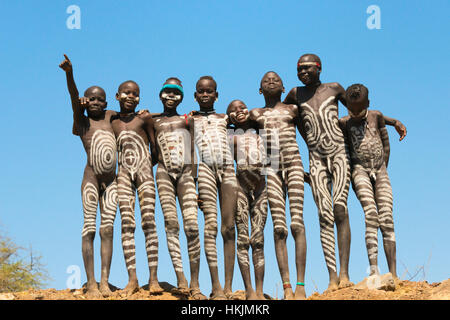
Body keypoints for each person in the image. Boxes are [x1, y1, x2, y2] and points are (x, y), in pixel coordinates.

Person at [284, 53, 406, 291]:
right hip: (316, 158)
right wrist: (307, 138)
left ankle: (344, 274)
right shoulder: (294, 94)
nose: (303, 72)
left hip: (340, 154)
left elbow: (358, 110)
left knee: (340, 208)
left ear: (320, 69)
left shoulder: (334, 88)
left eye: (308, 68)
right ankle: (331, 278)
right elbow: (291, 118)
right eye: (299, 69)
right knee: (323, 215)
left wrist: (391, 121)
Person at [59, 54, 117, 297]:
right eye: (90, 98)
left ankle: (105, 281)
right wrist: (70, 73)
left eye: (99, 99)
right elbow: (73, 98)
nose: (94, 101)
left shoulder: (112, 118)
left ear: (105, 103)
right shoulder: (82, 122)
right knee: (89, 228)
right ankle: (91, 282)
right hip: (91, 179)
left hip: (112, 180)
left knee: (108, 229)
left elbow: (133, 116)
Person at [249, 71, 306, 300]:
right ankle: (287, 287)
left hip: (293, 162)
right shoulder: (255, 114)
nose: (271, 81)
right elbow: (233, 126)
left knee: (297, 223)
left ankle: (301, 285)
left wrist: (311, 170)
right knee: (279, 227)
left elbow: (307, 137)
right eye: (265, 80)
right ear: (260, 90)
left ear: (284, 89)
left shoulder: (292, 110)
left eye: (276, 80)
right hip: (270, 167)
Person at [339, 83, 401, 278]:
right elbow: (346, 150)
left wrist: (382, 168)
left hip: (381, 170)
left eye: (360, 109)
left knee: (387, 219)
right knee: (371, 214)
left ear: (368, 103)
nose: (355, 113)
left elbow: (386, 144)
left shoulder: (375, 116)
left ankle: (393, 273)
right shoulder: (344, 123)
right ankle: (374, 269)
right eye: (351, 109)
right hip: (359, 171)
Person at [152, 77, 205, 299]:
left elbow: (194, 151)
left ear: (181, 96)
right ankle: (181, 278)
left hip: (185, 174)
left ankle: (195, 282)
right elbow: (153, 154)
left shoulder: (188, 120)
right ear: (160, 95)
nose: (171, 96)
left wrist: (196, 181)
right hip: (164, 173)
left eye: (175, 93)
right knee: (171, 224)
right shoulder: (152, 121)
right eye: (167, 92)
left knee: (192, 226)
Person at [111, 80, 162, 295]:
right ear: (117, 95)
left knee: (149, 221)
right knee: (127, 224)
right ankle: (132, 279)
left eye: (135, 94)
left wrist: (143, 166)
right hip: (122, 175)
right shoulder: (111, 120)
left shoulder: (144, 119)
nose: (131, 97)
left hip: (144, 174)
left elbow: (155, 149)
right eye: (126, 93)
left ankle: (153, 278)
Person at [190, 76, 238, 299]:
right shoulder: (190, 120)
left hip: (228, 169)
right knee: (210, 226)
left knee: (229, 228)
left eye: (210, 91)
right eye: (201, 91)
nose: (205, 94)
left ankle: (229, 286)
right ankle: (216, 286)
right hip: (205, 170)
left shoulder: (225, 118)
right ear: (195, 95)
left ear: (216, 95)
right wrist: (194, 184)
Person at [227, 100, 268, 300]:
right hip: (240, 187)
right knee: (243, 239)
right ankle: (249, 290)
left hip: (262, 186)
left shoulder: (261, 130)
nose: (239, 111)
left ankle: (260, 290)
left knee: (258, 239)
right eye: (233, 111)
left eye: (242, 107)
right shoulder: (229, 135)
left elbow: (275, 160)